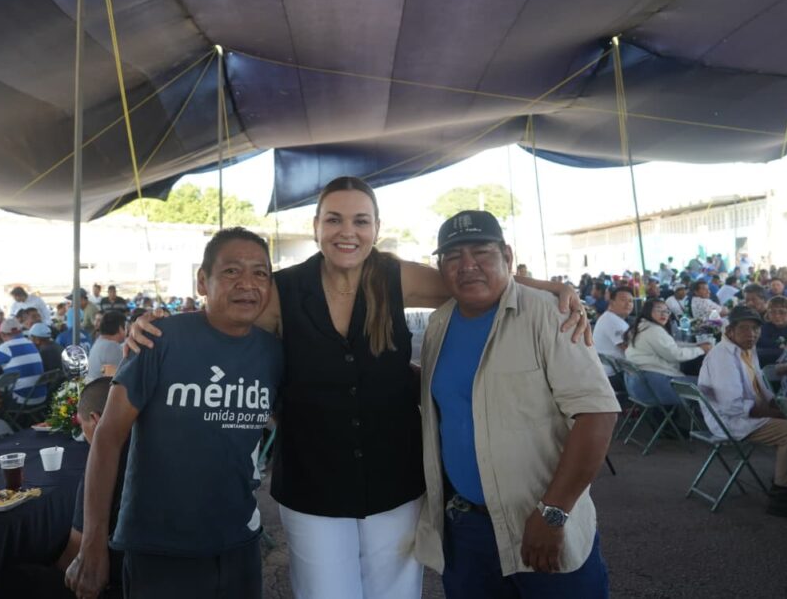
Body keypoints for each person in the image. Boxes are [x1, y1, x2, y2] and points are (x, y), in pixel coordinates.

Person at [126, 176, 590, 599]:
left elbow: (471, 281)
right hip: (312, 484)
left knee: (395, 593)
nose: (347, 231)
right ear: (316, 227)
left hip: (395, 478)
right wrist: (158, 328)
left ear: (376, 227)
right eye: (334, 219)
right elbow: (224, 318)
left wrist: (551, 288)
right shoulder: (283, 289)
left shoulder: (394, 274)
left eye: (360, 221)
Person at [67, 228, 285, 599]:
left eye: (260, 273)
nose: (247, 283)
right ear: (202, 281)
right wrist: (92, 541)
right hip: (159, 550)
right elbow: (107, 436)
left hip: (239, 545)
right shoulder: (157, 339)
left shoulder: (273, 354)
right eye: (232, 271)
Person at [415, 210, 619, 596]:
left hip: (540, 522)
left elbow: (598, 414)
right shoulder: (439, 324)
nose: (468, 266)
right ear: (440, 267)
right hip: (467, 529)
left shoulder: (549, 313)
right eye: (454, 257)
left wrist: (553, 513)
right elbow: (456, 397)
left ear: (507, 257)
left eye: (481, 253)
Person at [0, 377, 125, 599]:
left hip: (115, 585)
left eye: (82, 425)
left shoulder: (100, 474)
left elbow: (72, 559)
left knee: (7, 581)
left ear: (96, 421)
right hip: (157, 576)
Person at [696, 306, 787, 518]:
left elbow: (761, 387)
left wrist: (779, 405)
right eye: (744, 328)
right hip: (731, 420)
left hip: (749, 413)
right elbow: (733, 406)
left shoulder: (747, 350)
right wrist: (779, 414)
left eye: (756, 328)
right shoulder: (723, 356)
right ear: (730, 331)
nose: (751, 334)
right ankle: (782, 495)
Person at [625, 299, 711, 378]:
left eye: (666, 311)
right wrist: (701, 349)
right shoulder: (654, 330)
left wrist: (695, 345)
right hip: (658, 376)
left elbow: (671, 344)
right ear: (647, 311)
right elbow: (676, 355)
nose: (663, 314)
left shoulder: (642, 326)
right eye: (658, 310)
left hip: (646, 374)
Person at [593, 287, 633, 382]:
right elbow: (629, 349)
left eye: (631, 301)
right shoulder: (612, 321)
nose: (628, 304)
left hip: (610, 371)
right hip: (614, 374)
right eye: (623, 300)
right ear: (612, 302)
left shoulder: (611, 317)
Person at [86, 311, 127, 381]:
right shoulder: (113, 347)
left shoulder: (99, 342)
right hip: (102, 390)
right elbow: (125, 378)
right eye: (126, 327)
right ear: (120, 328)